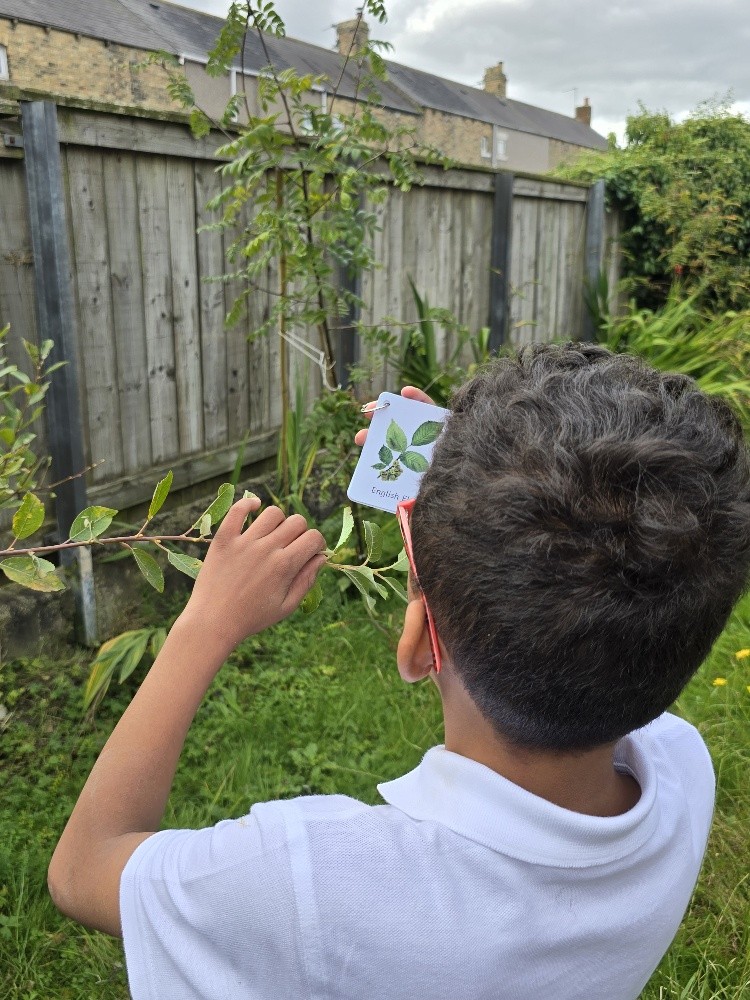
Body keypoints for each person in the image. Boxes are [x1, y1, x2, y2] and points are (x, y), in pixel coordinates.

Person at [48, 343, 750, 1000]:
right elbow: (612, 586)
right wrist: (481, 484)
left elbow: (84, 869)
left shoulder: (308, 882)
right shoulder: (682, 768)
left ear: (419, 644)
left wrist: (205, 625)